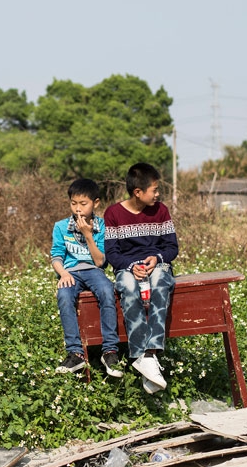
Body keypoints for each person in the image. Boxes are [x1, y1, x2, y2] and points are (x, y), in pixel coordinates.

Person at [104, 163, 178, 394]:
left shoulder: (161, 211)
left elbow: (171, 247)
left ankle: (150, 353)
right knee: (127, 285)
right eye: (154, 190)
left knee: (160, 282)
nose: (157, 194)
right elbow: (112, 253)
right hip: (128, 267)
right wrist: (131, 266)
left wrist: (156, 258)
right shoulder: (113, 214)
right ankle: (140, 355)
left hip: (156, 264)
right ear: (138, 192)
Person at [50, 178, 123, 377]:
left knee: (107, 291)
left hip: (93, 270)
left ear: (95, 203)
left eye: (83, 204)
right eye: (74, 204)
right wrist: (63, 273)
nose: (78, 209)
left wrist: (88, 235)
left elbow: (100, 262)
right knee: (64, 296)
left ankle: (110, 351)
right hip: (70, 272)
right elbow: (56, 256)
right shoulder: (61, 227)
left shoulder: (102, 226)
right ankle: (75, 353)